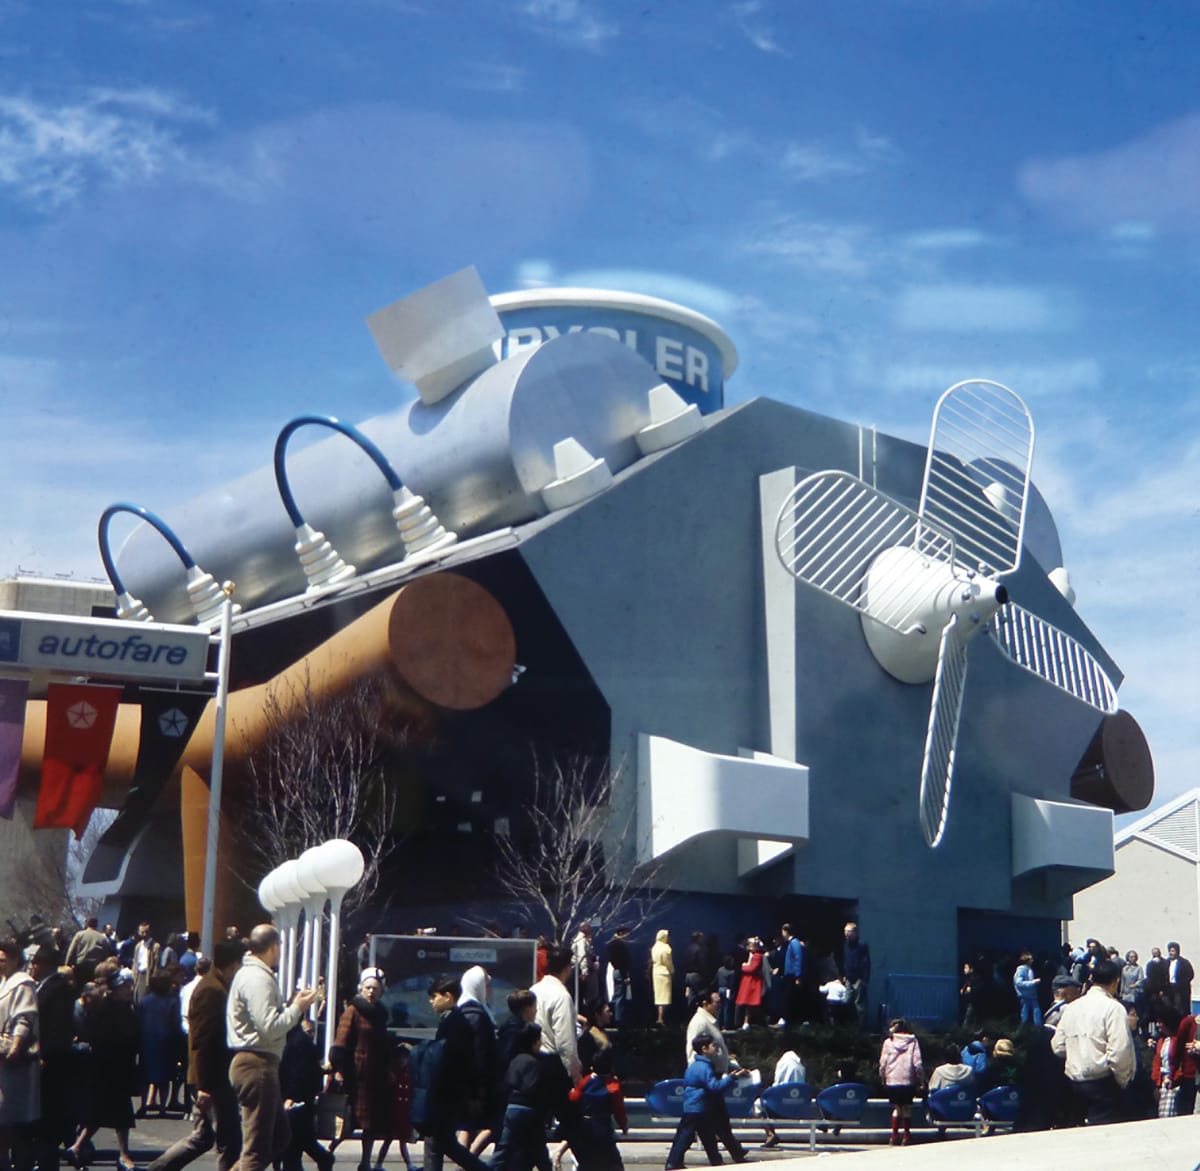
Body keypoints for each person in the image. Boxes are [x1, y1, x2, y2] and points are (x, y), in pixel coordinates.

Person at [147, 938, 246, 1171]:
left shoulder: (219, 987)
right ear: (231, 965)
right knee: (228, 1141)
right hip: (213, 1079)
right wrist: (203, 1085)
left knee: (203, 1137)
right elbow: (202, 1041)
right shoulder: (211, 991)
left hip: (213, 1077)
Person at [226, 924, 319, 1171]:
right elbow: (269, 1027)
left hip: (258, 1062)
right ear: (274, 947)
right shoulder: (258, 979)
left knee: (278, 1137)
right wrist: (297, 1008)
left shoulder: (253, 975)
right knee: (257, 1148)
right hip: (257, 1063)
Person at [1049, 957, 1135, 1124]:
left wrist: (1077, 1052)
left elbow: (1057, 1046)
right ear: (1116, 982)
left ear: (1091, 980)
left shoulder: (1072, 1007)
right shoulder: (1113, 1008)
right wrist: (1123, 1081)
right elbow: (1120, 1050)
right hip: (1103, 1082)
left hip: (1074, 1083)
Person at [70, 969, 140, 1171]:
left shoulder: (125, 1007)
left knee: (103, 1113)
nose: (129, 990)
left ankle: (77, 1146)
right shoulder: (107, 1009)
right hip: (109, 1067)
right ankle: (123, 1155)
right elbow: (102, 1036)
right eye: (125, 987)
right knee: (118, 1115)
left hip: (118, 1066)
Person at [420, 975, 489, 1171]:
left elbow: (453, 1059)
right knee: (444, 1142)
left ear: (448, 997)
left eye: (435, 996)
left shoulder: (454, 1023)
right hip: (451, 1092)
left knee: (436, 1141)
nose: (431, 1001)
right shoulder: (454, 1021)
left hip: (447, 1092)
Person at [331, 972, 392, 1171]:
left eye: (375, 988)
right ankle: (328, 1152)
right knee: (348, 1121)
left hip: (375, 1075)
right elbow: (340, 1042)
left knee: (371, 1124)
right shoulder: (352, 1011)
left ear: (381, 990)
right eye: (368, 988)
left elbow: (383, 1044)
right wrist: (339, 1069)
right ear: (361, 989)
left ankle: (365, 1162)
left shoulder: (381, 1013)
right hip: (354, 1074)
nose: (371, 992)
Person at [664, 1037, 751, 1169]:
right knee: (686, 1136)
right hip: (698, 1107)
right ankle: (673, 1163)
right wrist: (732, 1077)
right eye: (712, 1046)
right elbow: (714, 1086)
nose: (716, 1048)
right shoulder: (704, 1067)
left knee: (707, 1136)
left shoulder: (696, 1065)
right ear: (704, 1049)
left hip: (697, 1107)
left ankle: (715, 1162)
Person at [681, 990, 747, 1164]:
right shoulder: (699, 1023)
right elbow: (691, 1052)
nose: (719, 1005)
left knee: (718, 1120)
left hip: (713, 1075)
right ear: (705, 1003)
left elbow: (718, 1052)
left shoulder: (710, 1022)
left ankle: (731, 1153)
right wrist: (699, 1074)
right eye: (716, 1002)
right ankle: (733, 1153)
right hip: (708, 1078)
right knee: (712, 1122)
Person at [30, 944, 75, 1171]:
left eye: (34, 963)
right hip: (44, 1062)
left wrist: (45, 1055)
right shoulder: (43, 987)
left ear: (44, 964)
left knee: (49, 1120)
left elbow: (57, 1028)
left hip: (52, 1064)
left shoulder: (57, 989)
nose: (31, 967)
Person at [488, 1022, 554, 1171]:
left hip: (512, 1108)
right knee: (540, 1151)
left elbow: (507, 1083)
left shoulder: (515, 1060)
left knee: (502, 1151)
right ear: (535, 1042)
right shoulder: (536, 1063)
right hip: (530, 1110)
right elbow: (536, 1089)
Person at [0, 938, 39, 1171]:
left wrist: (15, 1047)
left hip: (12, 1060)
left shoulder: (22, 983)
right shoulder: (2, 982)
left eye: (3, 960)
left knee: (9, 1123)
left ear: (15, 959)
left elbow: (24, 1019)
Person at [278, 1020, 334, 1171]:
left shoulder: (295, 1043)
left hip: (295, 1101)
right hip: (301, 1100)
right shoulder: (299, 1043)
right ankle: (325, 1159)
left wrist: (291, 1096)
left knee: (294, 1147)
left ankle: (325, 1159)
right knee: (300, 1144)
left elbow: (298, 1073)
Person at [456, 965, 499, 1155]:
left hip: (465, 1081)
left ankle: (465, 1160)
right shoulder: (477, 1015)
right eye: (486, 985)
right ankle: (467, 1160)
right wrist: (478, 1090)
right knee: (486, 1124)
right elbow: (480, 1053)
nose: (490, 990)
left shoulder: (461, 1010)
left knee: (468, 1125)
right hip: (477, 1083)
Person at [531, 949, 581, 1081]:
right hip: (554, 1064)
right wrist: (575, 1074)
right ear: (567, 968)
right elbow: (565, 1041)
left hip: (534, 1058)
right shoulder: (562, 996)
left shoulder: (534, 990)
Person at [140, 972, 183, 1116]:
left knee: (145, 1077)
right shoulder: (172, 1001)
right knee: (165, 1078)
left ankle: (143, 1105)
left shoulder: (144, 1001)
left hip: (147, 1040)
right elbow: (176, 1022)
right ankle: (163, 1108)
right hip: (166, 1041)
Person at [878, 1018, 923, 1146]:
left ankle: (894, 1135)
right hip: (908, 1080)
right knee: (907, 1108)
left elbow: (883, 1062)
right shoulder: (913, 1041)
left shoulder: (888, 1042)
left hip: (892, 1079)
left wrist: (882, 1076)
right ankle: (907, 1136)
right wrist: (920, 1078)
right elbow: (917, 1063)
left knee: (897, 1108)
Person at [374, 1039, 415, 1171]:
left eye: (405, 1058)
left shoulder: (408, 1074)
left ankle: (409, 1164)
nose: (403, 1061)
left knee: (402, 1141)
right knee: (389, 1139)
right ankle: (379, 1164)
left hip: (403, 1112)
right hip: (394, 1112)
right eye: (402, 1058)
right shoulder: (393, 1074)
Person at [759, 1043, 806, 1149]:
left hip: (780, 1108)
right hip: (798, 1106)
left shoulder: (783, 1063)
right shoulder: (800, 1066)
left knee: (759, 1104)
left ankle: (770, 1134)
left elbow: (777, 1084)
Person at [841, 923, 870, 1027]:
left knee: (859, 1004)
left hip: (859, 978)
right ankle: (847, 1026)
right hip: (849, 977)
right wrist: (844, 974)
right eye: (845, 931)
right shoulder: (845, 945)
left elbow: (866, 963)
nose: (846, 934)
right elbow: (845, 960)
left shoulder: (862, 945)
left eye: (848, 931)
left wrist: (865, 979)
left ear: (854, 932)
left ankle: (860, 1028)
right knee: (846, 1001)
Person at [776, 924, 804, 1028]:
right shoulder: (790, 943)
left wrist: (798, 976)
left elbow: (798, 959)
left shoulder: (794, 943)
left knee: (791, 997)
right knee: (788, 997)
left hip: (792, 975)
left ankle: (792, 1020)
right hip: (788, 974)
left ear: (787, 931)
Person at [735, 939, 765, 1030]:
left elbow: (752, 968)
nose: (749, 946)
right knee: (746, 1003)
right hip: (747, 981)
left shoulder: (758, 956)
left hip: (752, 982)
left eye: (751, 944)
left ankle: (748, 1021)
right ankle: (744, 1021)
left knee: (750, 1002)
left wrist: (743, 966)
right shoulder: (749, 955)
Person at [604, 929, 631, 1027]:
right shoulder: (620, 945)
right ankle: (618, 1019)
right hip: (620, 971)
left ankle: (611, 1015)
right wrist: (625, 976)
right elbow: (622, 961)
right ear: (621, 934)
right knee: (620, 996)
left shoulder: (611, 944)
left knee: (616, 994)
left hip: (614, 971)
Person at [572, 926, 600, 1014]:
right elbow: (582, 956)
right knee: (586, 997)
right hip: (582, 972)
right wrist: (585, 971)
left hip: (583, 970)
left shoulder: (579, 940)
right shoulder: (581, 941)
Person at [132, 922, 161, 1004]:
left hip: (147, 976)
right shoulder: (138, 946)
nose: (144, 934)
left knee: (143, 1000)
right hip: (137, 975)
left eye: (146, 932)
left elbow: (156, 965)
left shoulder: (155, 946)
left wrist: (153, 980)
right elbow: (135, 961)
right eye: (142, 932)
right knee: (135, 999)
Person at [650, 931, 673, 1027]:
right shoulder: (665, 948)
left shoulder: (654, 947)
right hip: (664, 973)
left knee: (658, 996)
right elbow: (668, 961)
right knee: (665, 997)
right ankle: (662, 1018)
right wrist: (672, 970)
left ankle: (659, 1017)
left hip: (656, 973)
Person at [1013, 952, 1041, 1026]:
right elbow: (1019, 983)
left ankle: (1038, 1028)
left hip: (1032, 995)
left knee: (1037, 1012)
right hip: (1025, 996)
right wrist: (1033, 983)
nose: (1032, 961)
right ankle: (1024, 1029)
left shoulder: (1029, 969)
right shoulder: (1021, 970)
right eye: (1030, 959)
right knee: (1025, 1014)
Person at [1166, 942, 1194, 1018]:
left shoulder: (1184, 962)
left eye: (1173, 951)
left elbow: (1190, 975)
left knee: (1180, 1009)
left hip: (1180, 989)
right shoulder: (1166, 962)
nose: (1171, 953)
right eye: (1170, 951)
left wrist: (1181, 984)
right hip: (1169, 989)